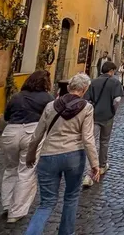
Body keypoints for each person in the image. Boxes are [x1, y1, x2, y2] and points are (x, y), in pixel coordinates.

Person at [24, 73, 99, 235]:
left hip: (48, 155)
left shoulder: (51, 106)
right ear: (84, 89)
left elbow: (37, 135)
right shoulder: (86, 108)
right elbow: (88, 138)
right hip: (74, 156)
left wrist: (30, 155)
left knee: (46, 203)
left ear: (70, 87)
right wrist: (94, 164)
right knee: (71, 198)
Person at [1, 70, 54, 224]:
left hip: (11, 132)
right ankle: (16, 211)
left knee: (10, 168)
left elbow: (6, 116)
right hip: (32, 132)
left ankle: (6, 204)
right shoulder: (47, 98)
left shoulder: (17, 96)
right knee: (26, 171)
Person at [81, 61, 124, 187]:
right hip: (107, 116)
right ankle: (102, 165)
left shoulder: (93, 82)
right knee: (104, 141)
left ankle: (88, 174)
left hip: (93, 116)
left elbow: (86, 100)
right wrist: (112, 111)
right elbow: (117, 100)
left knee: (91, 143)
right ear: (110, 71)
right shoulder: (115, 82)